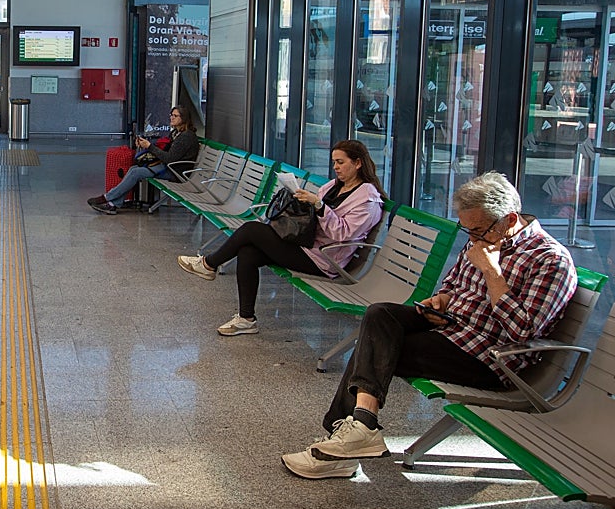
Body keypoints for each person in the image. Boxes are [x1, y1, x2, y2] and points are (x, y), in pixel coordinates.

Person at [281, 171, 577, 480]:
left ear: (510, 219)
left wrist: (492, 273)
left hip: (489, 356)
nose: (472, 239)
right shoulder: (483, 237)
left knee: (375, 347)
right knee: (381, 315)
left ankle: (344, 442)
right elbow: (452, 286)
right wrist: (441, 301)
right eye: (467, 231)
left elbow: (524, 332)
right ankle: (357, 431)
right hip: (451, 329)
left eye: (477, 231)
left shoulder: (550, 260)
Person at [176, 139, 385, 337]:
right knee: (247, 252)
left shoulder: (368, 200)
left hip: (325, 259)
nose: (336, 168)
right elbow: (319, 216)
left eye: (341, 162)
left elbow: (344, 234)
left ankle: (208, 264)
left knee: (251, 230)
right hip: (307, 245)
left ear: (357, 163)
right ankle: (246, 319)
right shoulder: (335, 186)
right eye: (334, 163)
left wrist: (319, 206)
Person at [88, 105, 199, 215]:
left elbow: (169, 158)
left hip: (175, 172)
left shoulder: (186, 137)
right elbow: (164, 148)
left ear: (183, 118)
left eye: (175, 115)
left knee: (136, 172)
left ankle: (108, 197)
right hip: (167, 167)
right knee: (133, 169)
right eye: (171, 115)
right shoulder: (176, 133)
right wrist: (145, 144)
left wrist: (150, 146)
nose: (172, 117)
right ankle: (113, 204)